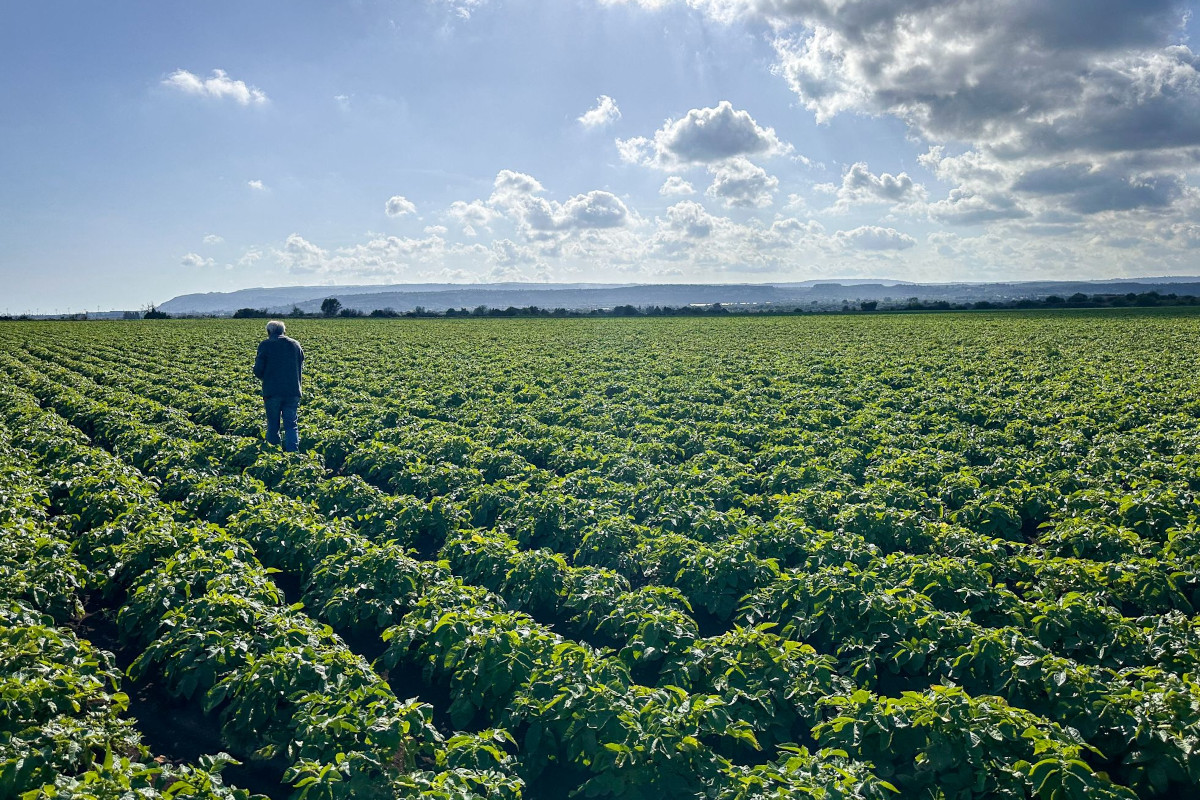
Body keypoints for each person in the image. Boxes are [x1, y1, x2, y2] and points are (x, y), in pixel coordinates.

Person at [253, 320, 304, 452]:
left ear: (269, 332)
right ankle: (293, 453)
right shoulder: (295, 344)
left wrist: (267, 378)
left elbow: (258, 370)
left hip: (272, 391)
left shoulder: (265, 345)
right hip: (293, 391)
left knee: (273, 425)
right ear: (283, 331)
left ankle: (274, 454)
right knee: (291, 424)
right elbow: (301, 363)